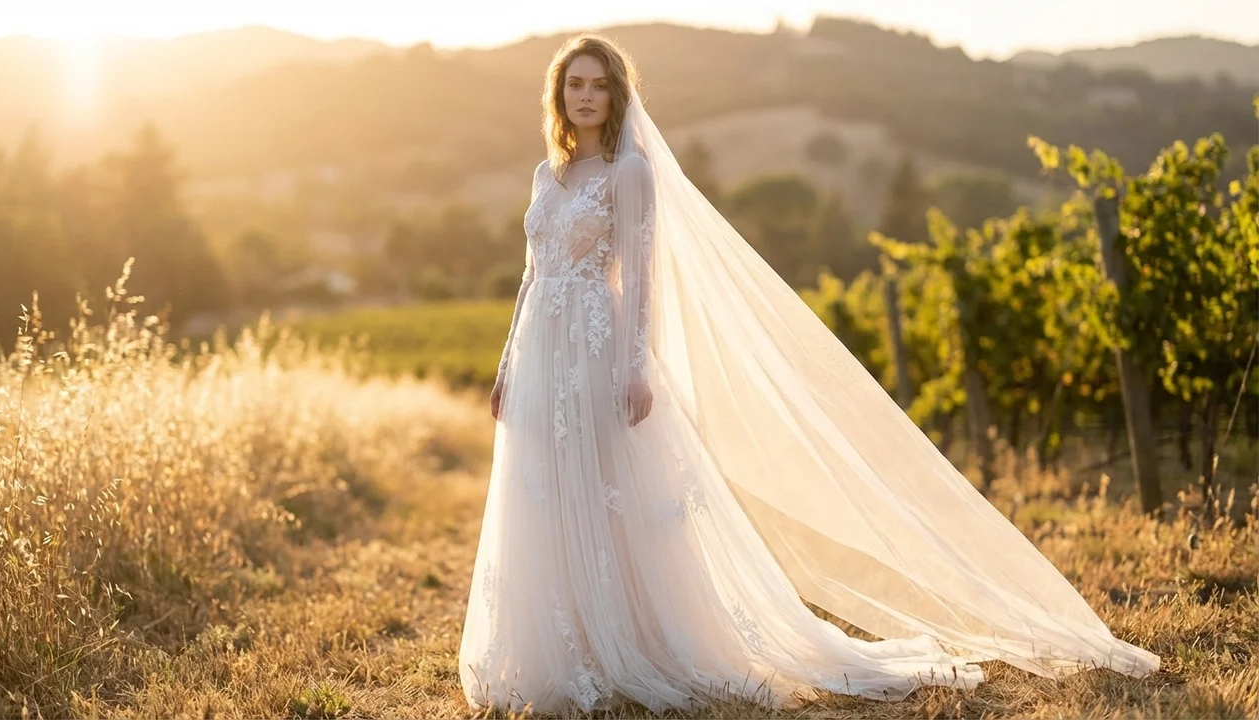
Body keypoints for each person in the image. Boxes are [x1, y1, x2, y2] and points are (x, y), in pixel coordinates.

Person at [457, 34, 1159, 714]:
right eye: (573, 85)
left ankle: (627, 645)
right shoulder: (546, 175)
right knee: (547, 490)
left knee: (608, 495)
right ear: (559, 94)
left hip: (599, 345)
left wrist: (637, 368)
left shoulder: (629, 172)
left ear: (616, 94)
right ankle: (563, 642)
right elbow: (531, 273)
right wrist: (505, 365)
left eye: (598, 84)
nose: (586, 96)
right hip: (541, 352)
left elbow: (641, 279)